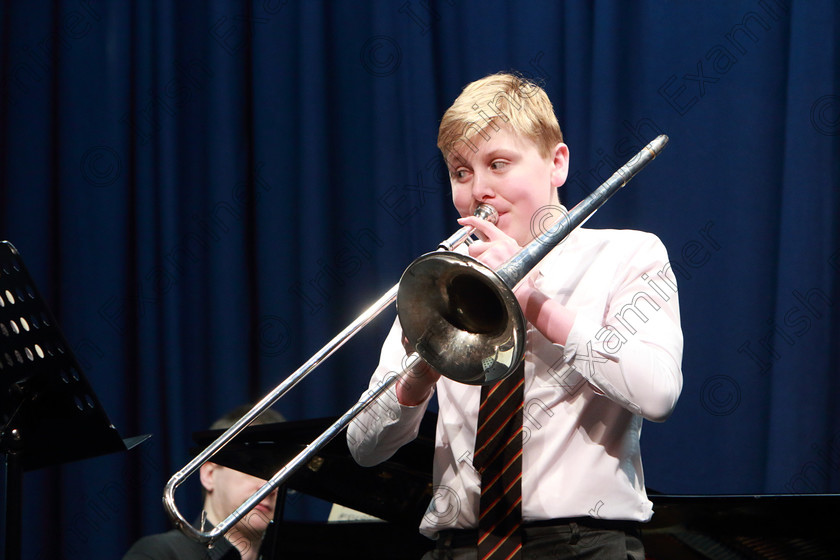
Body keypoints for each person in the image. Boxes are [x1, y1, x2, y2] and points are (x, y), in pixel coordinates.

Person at [347, 72, 683, 559]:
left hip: (580, 544)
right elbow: (364, 447)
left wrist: (531, 301)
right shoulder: (441, 281)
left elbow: (657, 393)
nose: (479, 189)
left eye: (498, 164)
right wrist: (421, 369)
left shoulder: (628, 255)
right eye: (461, 173)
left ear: (557, 163)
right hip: (459, 545)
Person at [123, 405, 285, 560]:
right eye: (255, 468)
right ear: (209, 474)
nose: (270, 488)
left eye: (281, 475)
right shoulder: (159, 553)